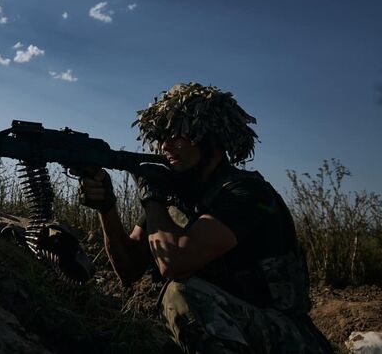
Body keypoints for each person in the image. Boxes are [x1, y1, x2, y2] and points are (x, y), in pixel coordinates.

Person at [74, 83, 332, 354]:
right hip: (233, 329)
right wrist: (107, 207)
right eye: (162, 137)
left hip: (286, 337)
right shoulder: (174, 199)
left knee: (181, 294)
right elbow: (128, 270)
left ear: (210, 140)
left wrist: (151, 194)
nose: (165, 146)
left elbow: (174, 263)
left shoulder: (246, 193)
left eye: (177, 136)